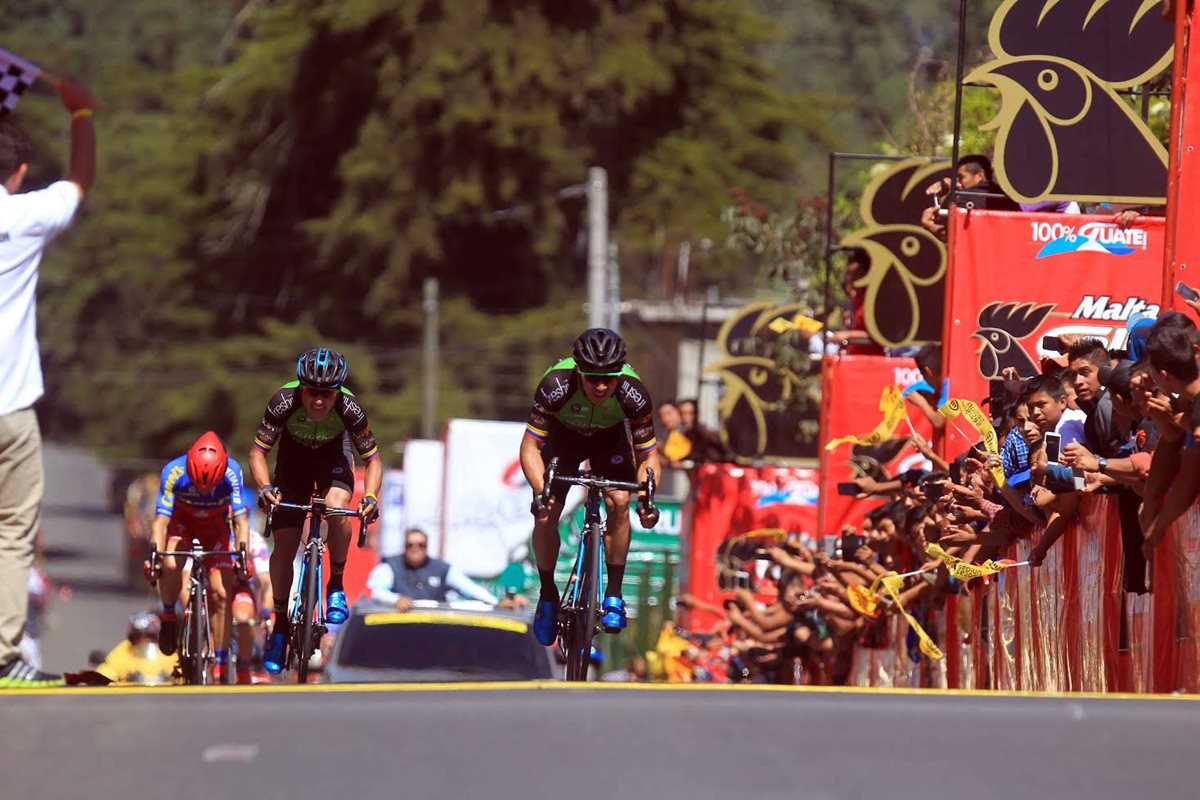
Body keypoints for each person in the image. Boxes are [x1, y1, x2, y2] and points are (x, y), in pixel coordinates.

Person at [0, 79, 96, 688]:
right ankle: (4, 654)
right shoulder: (29, 214)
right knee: (12, 532)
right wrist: (81, 111)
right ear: (23, 172)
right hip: (10, 408)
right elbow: (81, 179)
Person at [519, 328, 661, 646]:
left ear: (618, 376)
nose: (600, 386)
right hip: (563, 437)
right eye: (592, 378)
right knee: (546, 514)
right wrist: (542, 491)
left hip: (608, 438)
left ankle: (613, 594)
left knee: (620, 501)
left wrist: (646, 500)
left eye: (608, 379)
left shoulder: (633, 392)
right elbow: (529, 447)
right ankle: (547, 595)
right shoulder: (556, 385)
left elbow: (649, 455)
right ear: (579, 372)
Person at [249, 347, 383, 675]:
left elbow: (373, 460)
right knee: (285, 544)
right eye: (312, 392)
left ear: (337, 393)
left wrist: (370, 496)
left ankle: (335, 584)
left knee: (338, 508)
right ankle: (280, 625)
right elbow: (257, 453)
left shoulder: (351, 408)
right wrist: (265, 488)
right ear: (301, 388)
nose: (319, 400)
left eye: (327, 393)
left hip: (333, 463)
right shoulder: (283, 401)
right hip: (292, 467)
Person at [147, 431, 250, 683]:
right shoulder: (173, 471)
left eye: (211, 486)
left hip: (216, 528)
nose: (205, 490)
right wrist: (155, 556)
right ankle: (170, 615)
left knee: (222, 593)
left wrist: (242, 555)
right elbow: (160, 522)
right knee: (171, 562)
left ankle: (221, 661)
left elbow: (241, 521)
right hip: (183, 524)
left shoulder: (232, 472)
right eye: (199, 484)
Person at [366, 527, 508, 610]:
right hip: (397, 624)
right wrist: (396, 600)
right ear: (404, 546)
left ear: (426, 547)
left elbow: (470, 589)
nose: (415, 549)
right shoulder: (390, 566)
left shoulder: (442, 569)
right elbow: (377, 592)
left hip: (434, 625)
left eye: (420, 545)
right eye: (410, 545)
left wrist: (497, 603)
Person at [95, 612, 177, 686]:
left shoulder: (170, 651)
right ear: (131, 639)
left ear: (158, 637)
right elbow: (109, 668)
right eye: (137, 637)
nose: (143, 640)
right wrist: (105, 676)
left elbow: (181, 668)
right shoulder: (124, 650)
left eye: (149, 636)